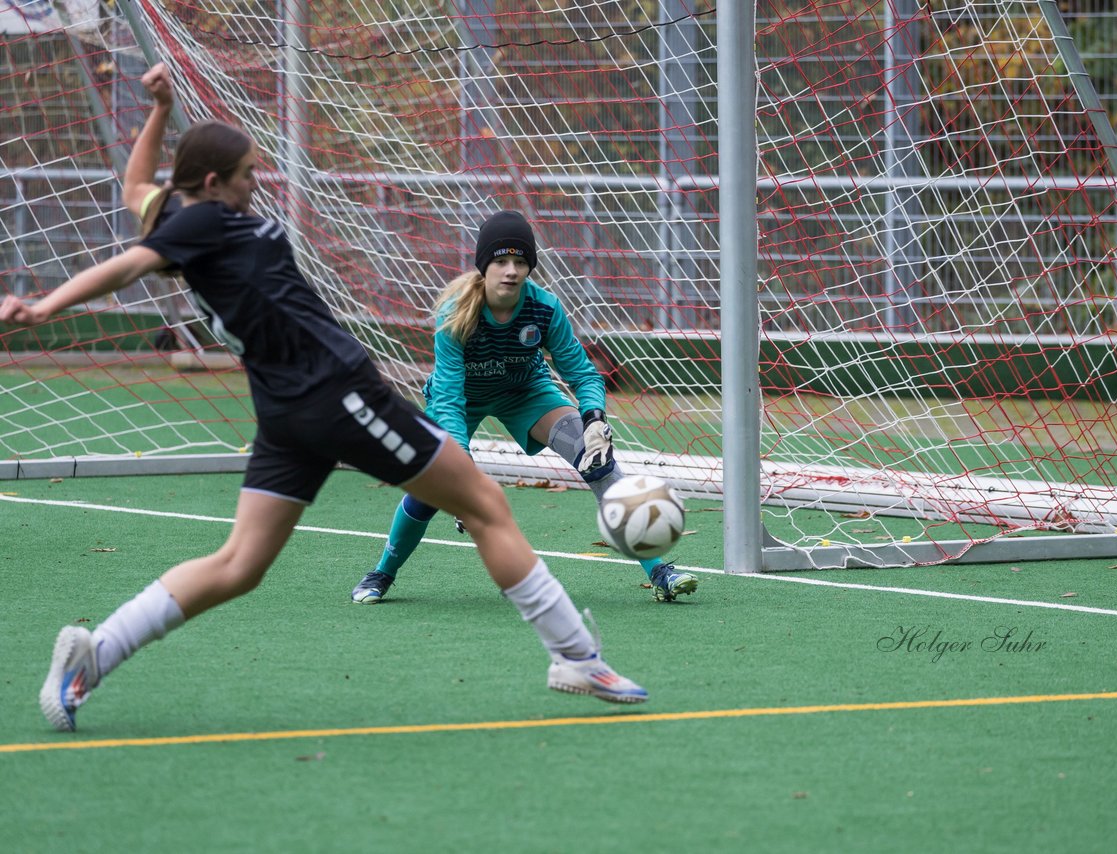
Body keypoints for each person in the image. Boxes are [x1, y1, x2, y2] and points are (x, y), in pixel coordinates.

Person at [4, 77, 647, 733]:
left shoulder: (178, 212)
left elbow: (134, 188)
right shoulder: (202, 219)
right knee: (485, 504)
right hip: (336, 391)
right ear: (212, 180)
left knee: (239, 565)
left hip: (286, 410)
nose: (256, 182)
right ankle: (576, 658)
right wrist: (45, 305)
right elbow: (129, 264)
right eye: (247, 173)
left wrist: (162, 109)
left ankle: (92, 657)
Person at [350, 210, 699, 605]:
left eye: (520, 261)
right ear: (484, 266)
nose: (511, 270)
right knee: (431, 489)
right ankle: (382, 572)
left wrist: (595, 420)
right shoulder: (455, 315)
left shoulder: (546, 308)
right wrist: (461, 472)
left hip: (526, 391)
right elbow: (448, 395)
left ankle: (660, 572)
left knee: (597, 460)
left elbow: (583, 374)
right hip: (461, 398)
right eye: (500, 261)